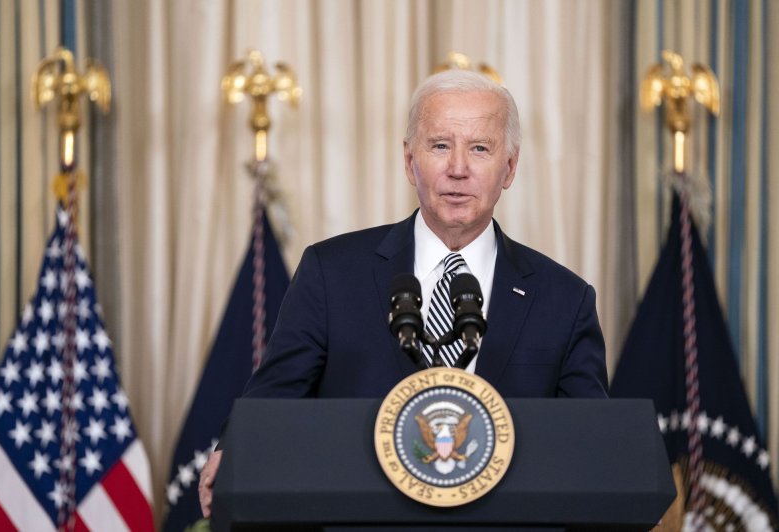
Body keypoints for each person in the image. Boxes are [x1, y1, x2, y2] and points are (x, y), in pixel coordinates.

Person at [199, 69, 608, 517]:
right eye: (439, 145)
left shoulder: (564, 301)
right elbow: (275, 396)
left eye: (479, 148)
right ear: (409, 160)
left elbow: (589, 448)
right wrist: (235, 449)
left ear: (509, 168)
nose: (457, 169)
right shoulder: (332, 273)